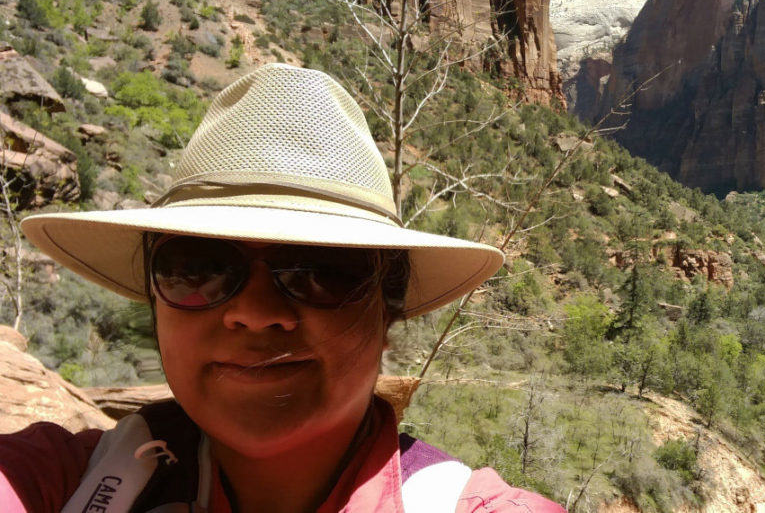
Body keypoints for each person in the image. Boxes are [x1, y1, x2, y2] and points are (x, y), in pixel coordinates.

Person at [1, 63, 565, 512]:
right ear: (155, 297)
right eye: (195, 268)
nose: (254, 312)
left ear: (387, 310)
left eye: (319, 271)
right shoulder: (53, 481)